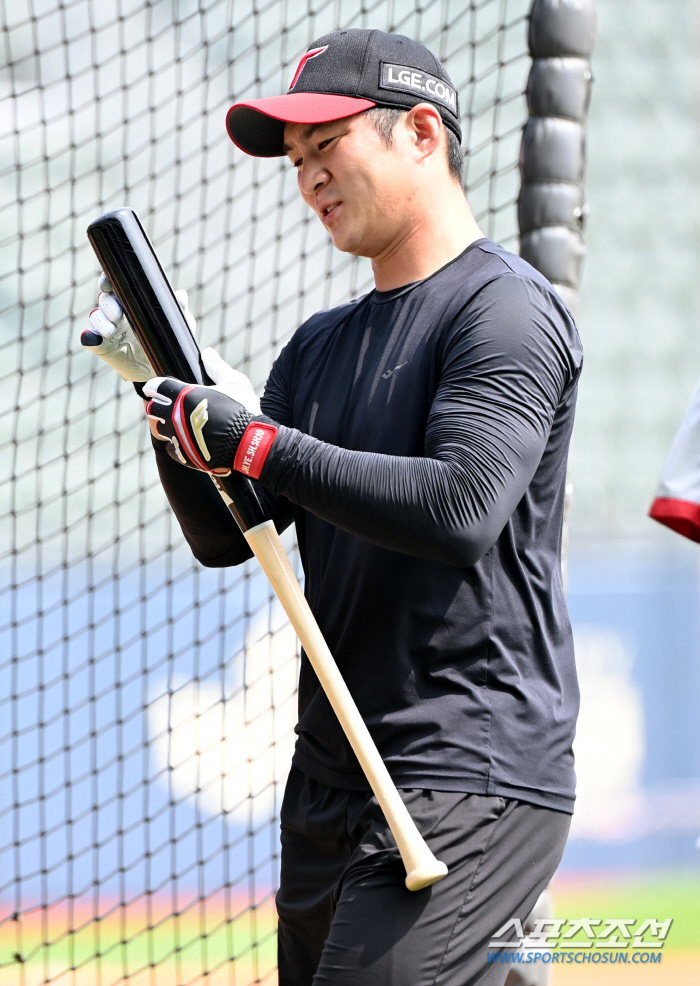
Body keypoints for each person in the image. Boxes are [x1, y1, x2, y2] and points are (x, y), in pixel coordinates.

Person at [83, 28, 582, 986]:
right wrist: (177, 424)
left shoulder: (504, 308)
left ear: (422, 135)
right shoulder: (318, 344)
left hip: (463, 773)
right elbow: (234, 539)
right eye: (299, 160)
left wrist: (254, 440)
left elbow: (461, 507)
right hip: (332, 777)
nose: (309, 176)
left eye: (329, 145)